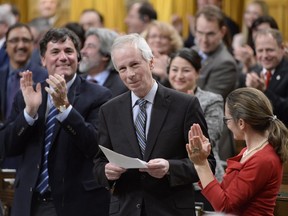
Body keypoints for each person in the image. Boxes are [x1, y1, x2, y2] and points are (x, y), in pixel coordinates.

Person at [93, 33, 216, 216]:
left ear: (151, 62)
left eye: (135, 64)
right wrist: (106, 172)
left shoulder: (185, 105)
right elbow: (98, 163)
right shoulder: (109, 111)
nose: (130, 74)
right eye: (123, 69)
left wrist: (170, 168)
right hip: (125, 209)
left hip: (170, 209)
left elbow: (208, 163)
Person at [0, 28, 112, 216]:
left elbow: (96, 147)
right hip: (28, 203)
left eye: (68, 51)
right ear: (43, 60)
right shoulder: (27, 95)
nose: (63, 57)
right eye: (55, 52)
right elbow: (6, 147)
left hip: (75, 204)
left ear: (78, 57)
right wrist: (28, 114)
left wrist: (65, 109)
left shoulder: (99, 95)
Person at [186, 87, 288, 215]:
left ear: (241, 123)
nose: (227, 125)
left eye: (227, 120)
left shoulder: (263, 158)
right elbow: (223, 193)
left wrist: (201, 164)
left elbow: (225, 206)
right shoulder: (249, 151)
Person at [245, 29, 288, 127]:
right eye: (260, 50)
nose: (264, 55)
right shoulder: (253, 72)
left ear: (281, 48)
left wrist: (264, 91)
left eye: (269, 50)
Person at [79, 27, 127, 97]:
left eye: (90, 46)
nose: (82, 51)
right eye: (84, 45)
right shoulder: (76, 81)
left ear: (106, 55)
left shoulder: (122, 86)